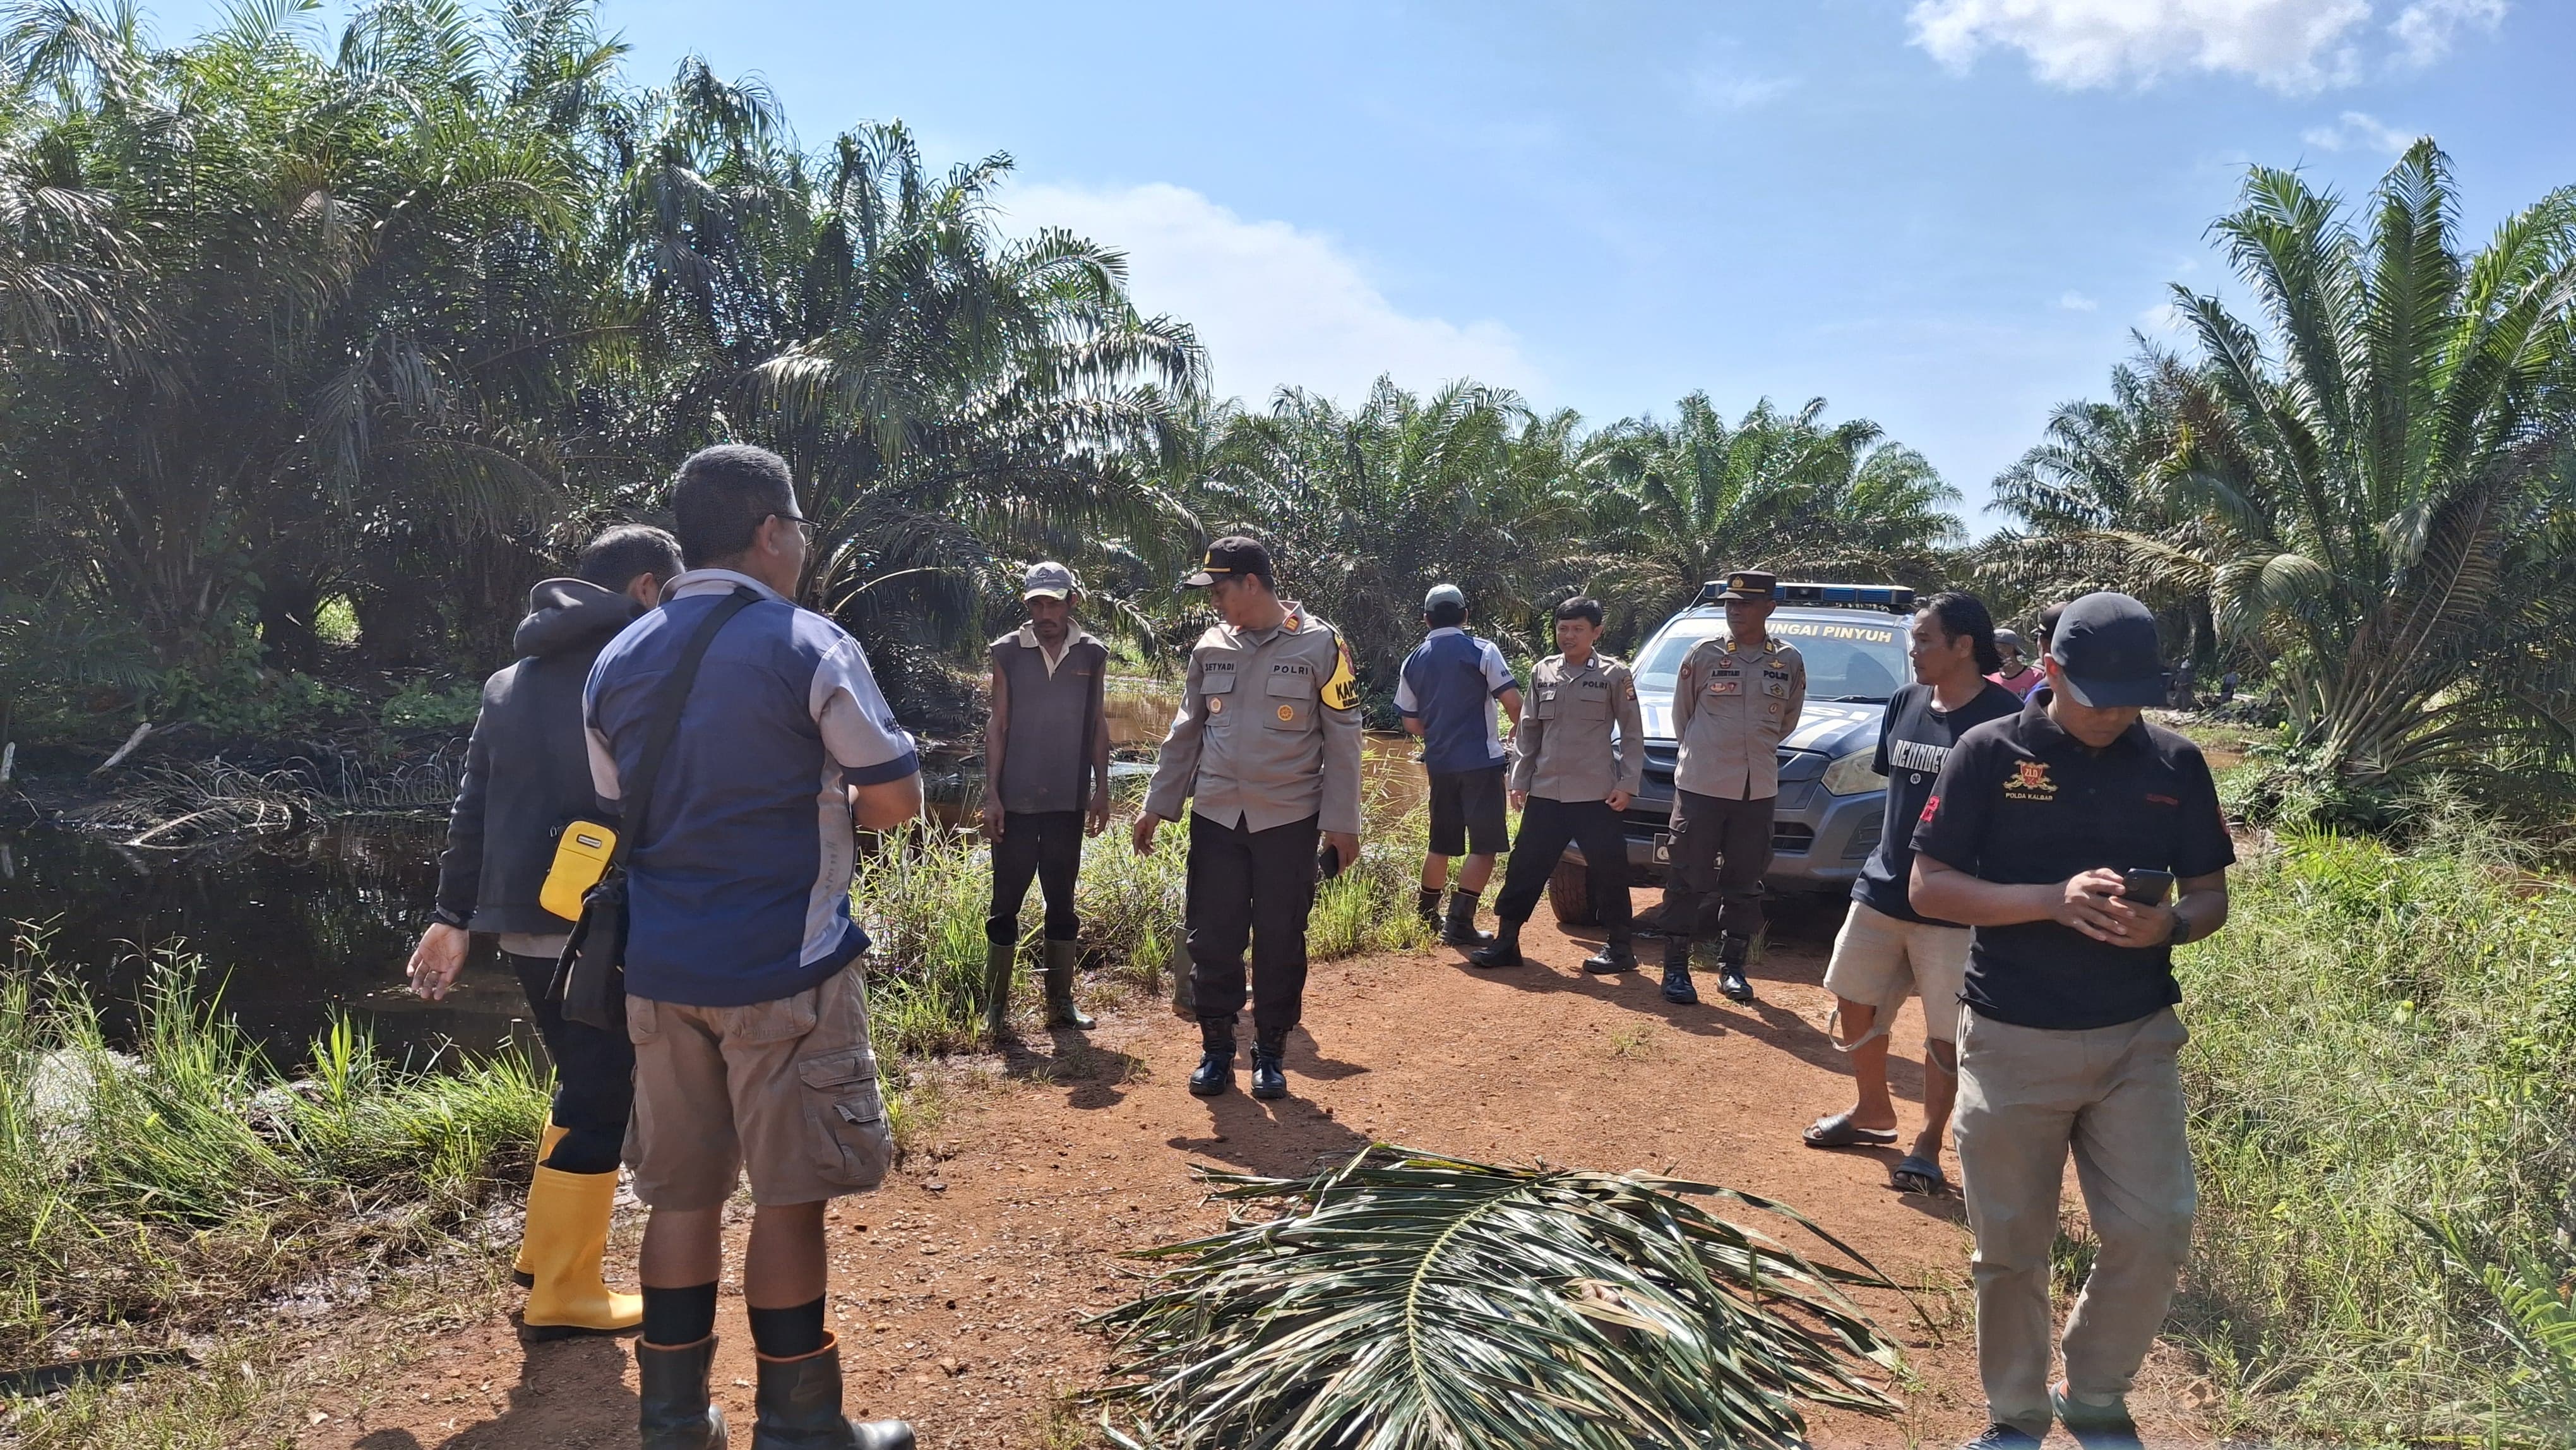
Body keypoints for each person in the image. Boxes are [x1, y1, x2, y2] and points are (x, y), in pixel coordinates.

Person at [587, 445, 923, 1450]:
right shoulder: (809, 644)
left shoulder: (620, 656)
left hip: (659, 973)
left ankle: (675, 1422)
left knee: (681, 1196)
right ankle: (800, 1425)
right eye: (801, 528)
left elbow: (615, 808)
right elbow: (896, 800)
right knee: (790, 1196)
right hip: (786, 970)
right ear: (771, 531)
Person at [1910, 591, 2235, 1450]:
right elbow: (1929, 886)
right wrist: (2050, 902)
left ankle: (2091, 1394)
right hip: (2013, 1035)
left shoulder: (2175, 763)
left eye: (2132, 695)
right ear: (2050, 670)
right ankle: (2015, 1416)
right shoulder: (1991, 751)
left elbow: (2209, 896)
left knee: (2156, 1227)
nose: (2114, 713)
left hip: (2136, 1038)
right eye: (2096, 694)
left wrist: (2170, 924)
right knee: (2012, 1245)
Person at [407, 525, 683, 1339]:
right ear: (644, 590)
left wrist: (452, 916)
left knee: (580, 1077)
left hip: (528, 923)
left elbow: (473, 810)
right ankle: (564, 1290)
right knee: (603, 1091)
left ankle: (542, 1257)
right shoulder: (639, 669)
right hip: (602, 921)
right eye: (670, 591)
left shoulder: (509, 681)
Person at [1802, 592, 2020, 1197]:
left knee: (1945, 1030)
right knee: (1853, 999)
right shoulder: (1905, 702)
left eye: (1924, 639)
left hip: (1956, 904)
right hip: (1882, 887)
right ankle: (1873, 1111)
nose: (1913, 649)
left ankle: (1927, 1144)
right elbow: (1894, 790)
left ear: (1963, 646)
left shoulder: (2008, 720)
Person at [1134, 536, 1363, 1102]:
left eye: (1219, 590)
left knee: (1282, 938)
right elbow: (1185, 732)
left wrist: (1343, 823)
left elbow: (1345, 740)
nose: (1214, 602)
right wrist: (1158, 804)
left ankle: (1271, 1053)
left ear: (1251, 584)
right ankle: (1216, 1051)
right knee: (1213, 936)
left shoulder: (1323, 644)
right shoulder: (1211, 646)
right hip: (1215, 816)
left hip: (1289, 819)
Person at [1469, 597, 1643, 972]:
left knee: (1609, 869)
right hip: (1547, 792)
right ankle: (1507, 942)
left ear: (1597, 632)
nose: (1569, 635)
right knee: (1524, 867)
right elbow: (1529, 730)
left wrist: (1627, 784)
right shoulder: (1543, 672)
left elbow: (1632, 734)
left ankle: (1620, 948)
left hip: (1597, 794)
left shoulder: (1615, 674)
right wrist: (1519, 779)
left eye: (1578, 629)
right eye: (1563, 628)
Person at [1659, 570, 1804, 1006]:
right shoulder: (1703, 654)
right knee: (1686, 878)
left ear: (1769, 608)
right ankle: (1676, 969)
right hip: (1702, 786)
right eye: (1730, 603)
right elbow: (1682, 716)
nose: (1735, 610)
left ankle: (1733, 968)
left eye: (1745, 603)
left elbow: (1787, 720)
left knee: (1745, 882)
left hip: (1755, 790)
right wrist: (1706, 756)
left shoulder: (1790, 661)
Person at [981, 561, 1111, 1038]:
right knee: (1005, 903)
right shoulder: (1009, 652)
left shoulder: (1092, 654)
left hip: (1067, 798)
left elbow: (1097, 724)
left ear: (1072, 601)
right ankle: (996, 1007)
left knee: (1062, 900)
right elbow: (999, 725)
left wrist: (1102, 787)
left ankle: (1061, 1004)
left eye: (1053, 602)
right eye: (1036, 603)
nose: (1044, 612)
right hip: (1015, 800)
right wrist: (991, 793)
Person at [1395, 584, 1522, 947]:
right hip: (1481, 763)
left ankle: (1426, 918)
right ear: (1466, 616)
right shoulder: (1482, 650)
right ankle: (1460, 923)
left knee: (1440, 842)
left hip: (1440, 764)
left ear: (1426, 619)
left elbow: (1411, 722)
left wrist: (1438, 736)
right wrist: (1516, 730)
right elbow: (1513, 701)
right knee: (1484, 846)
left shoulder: (1413, 659)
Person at [1988, 627, 2044, 702]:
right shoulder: (1989, 680)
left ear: (2010, 648)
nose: (1991, 651)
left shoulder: (2036, 676)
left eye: (1995, 647)